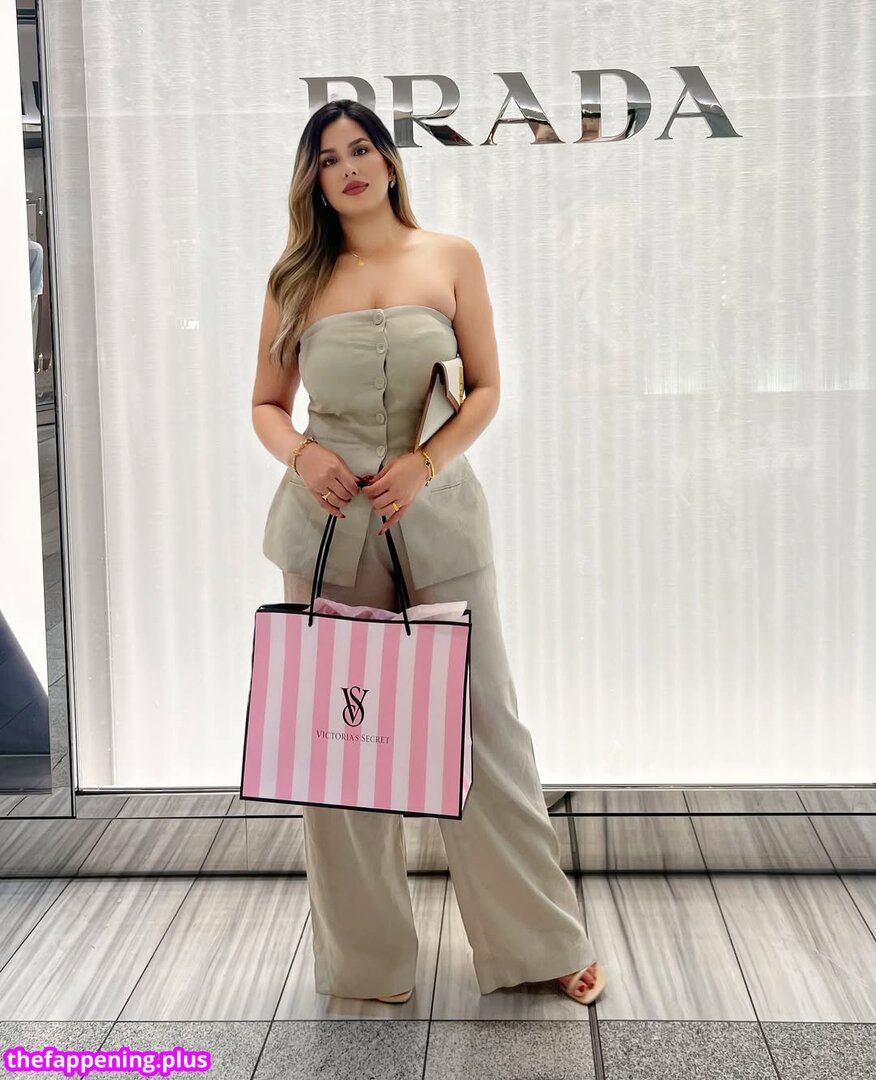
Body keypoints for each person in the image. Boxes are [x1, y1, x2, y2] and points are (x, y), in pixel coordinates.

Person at [251, 98, 606, 1008]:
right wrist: (304, 455)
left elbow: (484, 388)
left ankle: (539, 942)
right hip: (324, 535)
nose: (347, 168)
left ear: (388, 160)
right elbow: (265, 405)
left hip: (440, 522)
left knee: (488, 731)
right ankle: (366, 965)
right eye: (328, 158)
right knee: (340, 751)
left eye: (359, 149)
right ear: (314, 180)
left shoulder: (451, 257)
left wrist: (425, 463)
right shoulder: (295, 279)